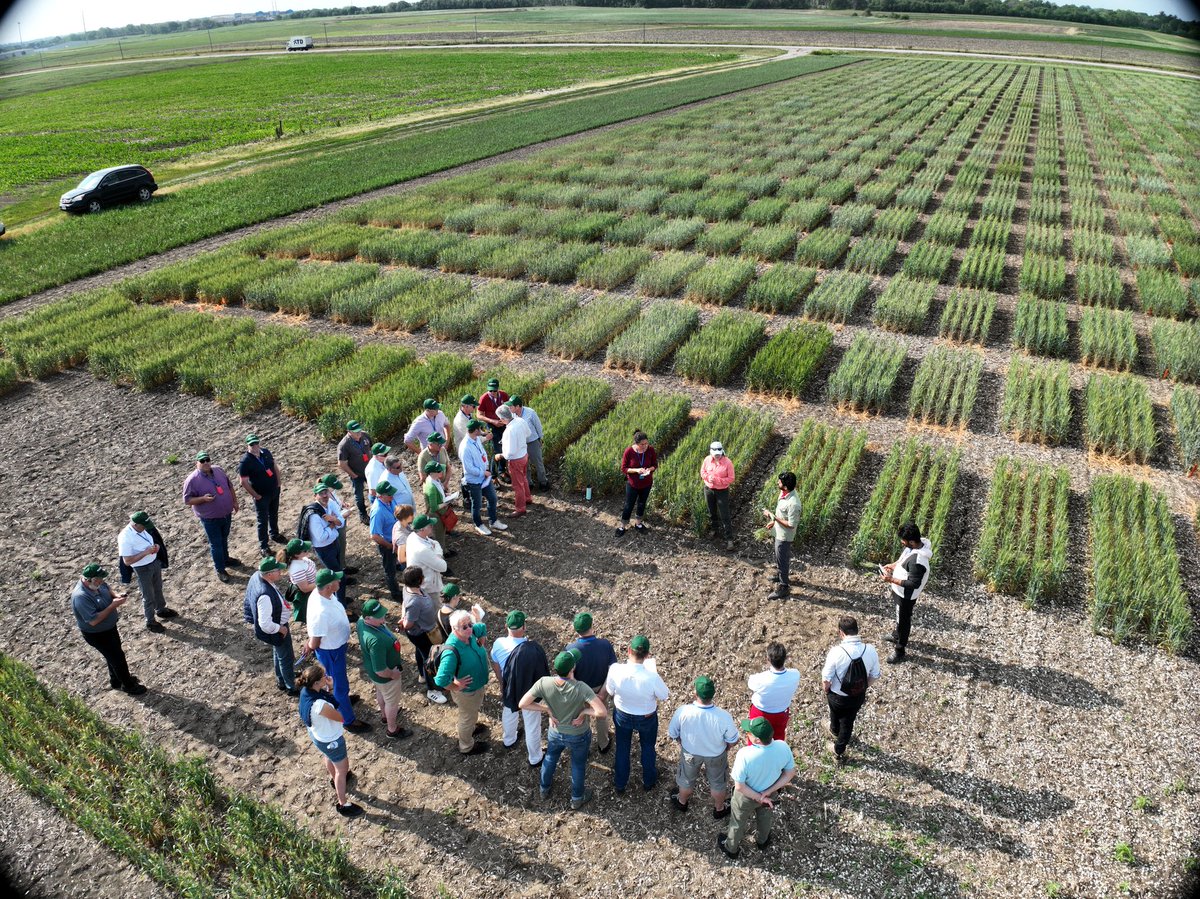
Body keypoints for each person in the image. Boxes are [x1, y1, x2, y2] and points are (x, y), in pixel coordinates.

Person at [520, 648, 608, 810]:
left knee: (550, 758)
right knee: (578, 765)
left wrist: (547, 709)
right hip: (578, 734)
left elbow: (523, 704)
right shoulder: (581, 687)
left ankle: (544, 789)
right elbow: (602, 712)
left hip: (556, 732)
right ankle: (576, 798)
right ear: (572, 668)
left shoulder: (544, 682)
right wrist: (584, 712)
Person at [718, 717, 796, 858]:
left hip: (746, 797)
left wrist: (759, 797)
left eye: (749, 733)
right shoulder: (783, 747)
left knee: (738, 822)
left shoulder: (745, 755)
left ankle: (731, 848)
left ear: (757, 740)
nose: (746, 733)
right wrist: (768, 792)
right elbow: (790, 773)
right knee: (765, 818)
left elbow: (740, 786)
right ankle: (762, 841)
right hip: (770, 795)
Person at [297, 663, 364, 818]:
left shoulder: (306, 692)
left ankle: (334, 777)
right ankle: (343, 803)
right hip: (331, 740)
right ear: (316, 683)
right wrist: (332, 689)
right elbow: (340, 717)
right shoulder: (320, 705)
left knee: (329, 757)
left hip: (318, 735)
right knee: (342, 770)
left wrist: (327, 688)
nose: (326, 678)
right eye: (323, 678)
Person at [606, 635, 669, 793]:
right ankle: (649, 781)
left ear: (628, 651)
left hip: (622, 714)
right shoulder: (652, 677)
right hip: (646, 717)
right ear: (647, 655)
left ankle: (620, 783)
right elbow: (664, 695)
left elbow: (610, 690)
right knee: (647, 747)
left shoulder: (615, 669)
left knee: (622, 747)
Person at [668, 676, 739, 818]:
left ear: (695, 693)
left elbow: (672, 733)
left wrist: (680, 741)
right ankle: (719, 808)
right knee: (718, 783)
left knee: (687, 780)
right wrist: (727, 748)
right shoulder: (723, 716)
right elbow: (733, 739)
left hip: (690, 753)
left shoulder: (683, 711)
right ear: (713, 694)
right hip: (716, 754)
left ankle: (682, 802)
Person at [306, 569, 367, 732]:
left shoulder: (323, 594)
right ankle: (348, 720)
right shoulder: (320, 613)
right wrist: (309, 645)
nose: (340, 582)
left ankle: (343, 701)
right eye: (336, 581)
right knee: (338, 685)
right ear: (327, 587)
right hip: (331, 652)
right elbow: (314, 642)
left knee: (340, 682)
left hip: (336, 648)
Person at [72, 563, 145, 695]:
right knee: (117, 658)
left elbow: (107, 588)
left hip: (109, 629)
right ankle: (128, 685)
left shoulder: (98, 584)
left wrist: (116, 596)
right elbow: (93, 621)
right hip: (97, 634)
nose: (102, 581)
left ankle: (117, 680)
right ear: (90, 580)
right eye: (99, 579)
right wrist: (113, 606)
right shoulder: (81, 597)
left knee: (112, 656)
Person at [492, 610, 548, 768]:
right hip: (528, 691)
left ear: (506, 626)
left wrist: (502, 683)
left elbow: (496, 665)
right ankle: (535, 757)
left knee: (509, 711)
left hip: (509, 687)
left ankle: (509, 739)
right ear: (524, 627)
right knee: (532, 724)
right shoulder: (530, 649)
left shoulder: (498, 643)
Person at [822, 616, 881, 764]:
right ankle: (836, 734)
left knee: (837, 714)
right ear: (857, 631)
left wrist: (827, 690)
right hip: (857, 696)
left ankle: (838, 749)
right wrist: (862, 687)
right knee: (848, 721)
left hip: (837, 696)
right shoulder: (871, 650)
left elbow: (826, 678)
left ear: (841, 633)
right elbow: (875, 675)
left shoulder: (836, 652)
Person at [433, 608, 491, 755]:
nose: (469, 629)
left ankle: (472, 727)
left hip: (476, 687)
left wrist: (478, 626)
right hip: (467, 692)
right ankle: (466, 746)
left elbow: (481, 627)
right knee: (467, 717)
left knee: (470, 714)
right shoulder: (451, 651)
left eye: (469, 624)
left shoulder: (469, 634)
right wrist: (456, 686)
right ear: (454, 629)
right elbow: (441, 679)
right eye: (464, 627)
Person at [356, 598, 414, 740]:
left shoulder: (361, 622)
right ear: (368, 618)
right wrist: (392, 674)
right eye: (379, 616)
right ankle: (392, 730)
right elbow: (380, 670)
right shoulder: (376, 641)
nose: (383, 617)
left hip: (374, 673)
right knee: (392, 702)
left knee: (381, 693)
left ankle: (384, 716)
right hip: (386, 676)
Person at [182, 450, 240, 583]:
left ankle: (226, 559)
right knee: (216, 544)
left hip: (226, 514)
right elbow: (187, 500)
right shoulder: (192, 480)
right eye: (202, 461)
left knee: (224, 538)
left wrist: (235, 502)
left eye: (207, 459)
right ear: (197, 463)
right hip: (210, 519)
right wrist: (202, 499)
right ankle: (220, 569)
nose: (206, 463)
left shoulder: (218, 470)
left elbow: (230, 487)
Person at [881, 522, 933, 664]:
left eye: (903, 541)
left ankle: (900, 650)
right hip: (899, 591)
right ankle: (896, 634)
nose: (901, 543)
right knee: (899, 616)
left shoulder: (918, 562)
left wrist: (891, 579)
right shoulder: (914, 546)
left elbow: (913, 584)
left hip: (906, 595)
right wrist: (893, 566)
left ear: (911, 541)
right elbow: (903, 559)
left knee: (904, 621)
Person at [566, 612, 618, 754]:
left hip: (581, 690)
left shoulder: (571, 650)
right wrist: (602, 692)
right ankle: (603, 744)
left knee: (583, 717)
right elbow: (613, 669)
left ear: (576, 629)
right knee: (601, 715)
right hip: (601, 688)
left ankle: (585, 747)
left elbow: (569, 675)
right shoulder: (605, 644)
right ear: (592, 626)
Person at [244, 557, 296, 695]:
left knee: (278, 652)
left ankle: (281, 680)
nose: (281, 572)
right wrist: (280, 629)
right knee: (286, 657)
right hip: (276, 628)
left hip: (276, 624)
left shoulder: (258, 576)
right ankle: (290, 686)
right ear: (268, 574)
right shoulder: (265, 596)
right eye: (278, 570)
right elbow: (265, 624)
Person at [117, 510, 173, 631]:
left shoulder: (143, 528)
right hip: (142, 568)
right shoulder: (125, 537)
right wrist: (146, 552)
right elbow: (127, 561)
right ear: (135, 524)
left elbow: (151, 540)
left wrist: (156, 547)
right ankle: (150, 621)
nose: (146, 528)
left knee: (158, 588)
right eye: (143, 526)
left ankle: (161, 610)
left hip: (154, 562)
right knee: (148, 595)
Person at [399, 566, 447, 704]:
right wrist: (405, 619)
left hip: (422, 633)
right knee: (429, 660)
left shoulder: (407, 589)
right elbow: (408, 624)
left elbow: (404, 605)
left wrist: (404, 616)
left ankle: (422, 675)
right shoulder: (414, 601)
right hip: (422, 634)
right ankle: (432, 690)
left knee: (421, 652)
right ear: (419, 580)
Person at [238, 433, 285, 558]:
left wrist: (279, 483)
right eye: (251, 444)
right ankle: (264, 546)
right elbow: (243, 482)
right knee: (262, 520)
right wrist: (255, 495)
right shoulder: (245, 461)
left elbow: (274, 466)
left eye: (256, 443)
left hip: (274, 490)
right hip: (261, 496)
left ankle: (275, 534)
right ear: (247, 445)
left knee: (274, 513)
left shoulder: (266, 452)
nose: (254, 446)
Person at [459, 419, 508, 536]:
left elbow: (483, 454)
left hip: (484, 478)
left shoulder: (476, 440)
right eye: (480, 429)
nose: (482, 431)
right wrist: (483, 472)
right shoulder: (465, 447)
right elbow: (469, 468)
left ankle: (493, 521)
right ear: (475, 430)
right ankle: (479, 524)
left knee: (492, 498)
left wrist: (486, 468)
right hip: (474, 481)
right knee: (477, 505)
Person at [301, 483, 346, 605]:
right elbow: (321, 537)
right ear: (315, 496)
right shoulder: (314, 515)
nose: (325, 495)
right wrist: (333, 525)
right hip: (324, 549)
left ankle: (339, 598)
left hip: (334, 543)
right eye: (321, 493)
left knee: (339, 571)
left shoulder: (330, 503)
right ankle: (341, 603)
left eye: (326, 492)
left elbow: (341, 521)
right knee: (338, 576)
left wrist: (333, 520)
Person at [746, 642, 801, 741]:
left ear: (768, 660)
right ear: (785, 658)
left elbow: (750, 682)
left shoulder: (761, 679)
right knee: (778, 737)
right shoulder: (795, 675)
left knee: (756, 738)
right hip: (781, 713)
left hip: (760, 713)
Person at [762, 471, 801, 600]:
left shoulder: (794, 504)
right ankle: (780, 576)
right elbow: (781, 514)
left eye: (779, 482)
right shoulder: (784, 493)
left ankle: (784, 586)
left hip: (784, 536)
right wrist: (773, 521)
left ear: (785, 486)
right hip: (779, 531)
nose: (777, 482)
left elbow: (791, 524)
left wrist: (773, 517)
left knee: (782, 559)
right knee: (779, 557)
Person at [617, 430, 657, 537]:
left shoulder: (651, 450)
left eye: (646, 443)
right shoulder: (629, 451)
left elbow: (655, 465)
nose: (644, 446)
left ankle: (638, 523)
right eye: (642, 444)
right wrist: (636, 470)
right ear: (636, 443)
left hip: (646, 483)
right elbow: (624, 468)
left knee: (642, 503)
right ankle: (623, 526)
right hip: (633, 484)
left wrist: (649, 469)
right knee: (629, 505)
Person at [496, 402, 532, 516]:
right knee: (524, 478)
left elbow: (509, 453)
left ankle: (520, 508)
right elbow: (528, 434)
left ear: (502, 418)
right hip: (524, 455)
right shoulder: (520, 421)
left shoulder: (509, 431)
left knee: (517, 485)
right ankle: (528, 498)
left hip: (516, 460)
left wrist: (500, 455)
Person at [369, 480, 402, 600]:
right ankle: (395, 593)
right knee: (390, 571)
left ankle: (398, 564)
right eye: (389, 494)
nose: (392, 496)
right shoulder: (377, 511)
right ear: (380, 496)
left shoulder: (390, 500)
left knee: (398, 561)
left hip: (397, 539)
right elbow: (375, 535)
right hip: (388, 544)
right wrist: (390, 546)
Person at [701, 441, 736, 551]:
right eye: (715, 453)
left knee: (724, 514)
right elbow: (702, 472)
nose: (717, 455)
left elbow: (731, 478)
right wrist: (707, 478)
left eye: (719, 452)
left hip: (722, 491)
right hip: (709, 490)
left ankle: (729, 539)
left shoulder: (728, 462)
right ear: (711, 451)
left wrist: (717, 480)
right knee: (712, 512)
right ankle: (714, 530)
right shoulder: (707, 460)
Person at [509, 396, 549, 491]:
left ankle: (543, 482)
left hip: (532, 442)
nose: (509, 408)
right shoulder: (513, 415)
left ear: (518, 406)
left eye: (511, 406)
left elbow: (538, 426)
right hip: (521, 444)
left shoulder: (530, 413)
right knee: (525, 464)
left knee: (538, 463)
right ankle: (528, 483)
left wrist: (540, 438)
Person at [336, 420, 372, 524]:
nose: (359, 433)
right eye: (356, 432)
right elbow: (341, 463)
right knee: (359, 496)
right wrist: (353, 475)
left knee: (374, 490)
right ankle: (363, 514)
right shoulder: (344, 445)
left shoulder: (365, 436)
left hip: (369, 471)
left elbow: (372, 448)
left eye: (359, 430)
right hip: (357, 474)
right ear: (349, 432)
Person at [406, 514, 448, 595]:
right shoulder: (422, 549)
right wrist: (438, 554)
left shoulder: (413, 536)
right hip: (428, 589)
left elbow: (435, 542)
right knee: (436, 607)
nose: (432, 527)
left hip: (424, 584)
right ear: (422, 529)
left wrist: (435, 551)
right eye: (430, 526)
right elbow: (443, 567)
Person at [477, 378, 509, 479]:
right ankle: (494, 476)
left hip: (504, 425)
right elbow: (479, 415)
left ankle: (502, 470)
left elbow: (508, 409)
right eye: (490, 390)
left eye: (494, 390)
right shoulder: (484, 398)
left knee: (504, 447)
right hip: (492, 427)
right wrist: (493, 421)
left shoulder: (504, 395)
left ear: (498, 389)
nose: (492, 392)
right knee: (495, 450)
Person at [282, 538, 317, 627]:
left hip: (315, 590)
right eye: (304, 550)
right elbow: (305, 588)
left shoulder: (302, 558)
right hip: (310, 596)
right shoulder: (296, 568)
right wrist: (321, 582)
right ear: (296, 554)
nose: (308, 550)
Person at [422, 462, 459, 545]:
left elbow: (438, 494)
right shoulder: (431, 487)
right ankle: (442, 553)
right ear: (432, 473)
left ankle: (444, 550)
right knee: (439, 536)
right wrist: (447, 502)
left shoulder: (435, 480)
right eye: (439, 471)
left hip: (440, 512)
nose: (442, 472)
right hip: (436, 514)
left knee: (442, 532)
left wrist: (445, 495)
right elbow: (434, 507)